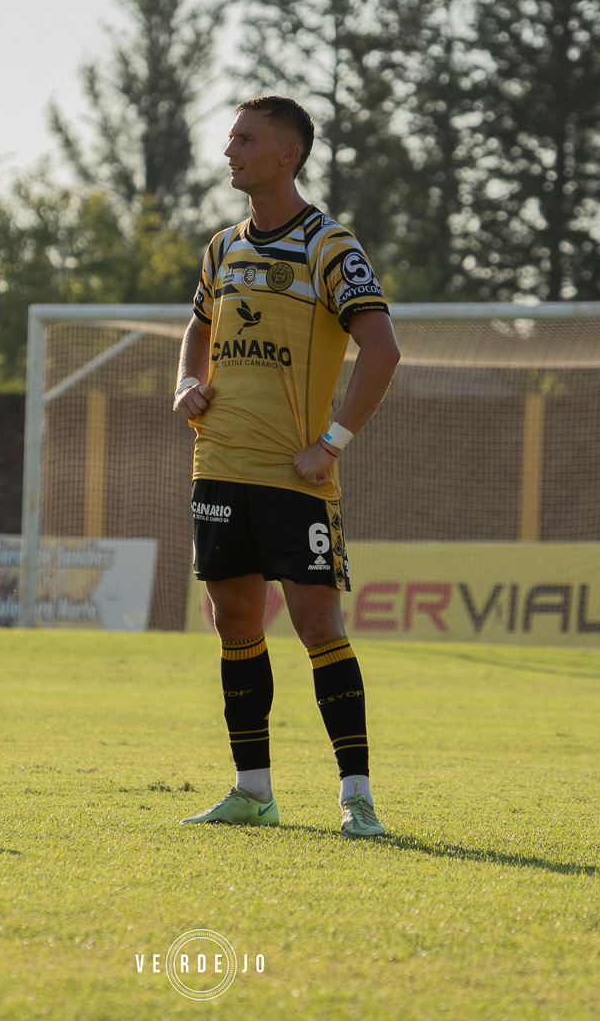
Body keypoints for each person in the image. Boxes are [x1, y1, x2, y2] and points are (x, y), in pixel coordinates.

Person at [174, 95, 401, 838]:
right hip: (220, 465)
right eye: (230, 137)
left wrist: (330, 441)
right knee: (233, 618)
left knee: (317, 623)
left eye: (245, 139)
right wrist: (187, 382)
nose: (230, 150)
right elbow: (197, 330)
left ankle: (357, 797)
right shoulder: (221, 248)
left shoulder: (328, 246)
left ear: (287, 156)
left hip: (294, 475)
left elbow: (383, 350)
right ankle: (252, 790)